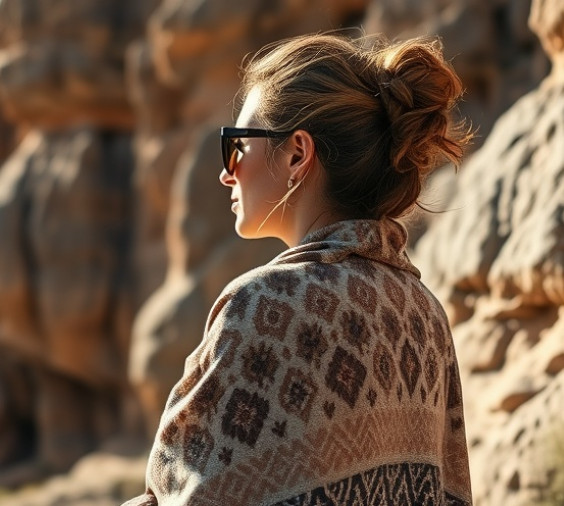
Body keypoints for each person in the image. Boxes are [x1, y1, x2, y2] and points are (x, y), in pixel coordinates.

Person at [123, 32, 473, 505]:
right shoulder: (425, 313)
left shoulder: (263, 306)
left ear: (297, 153)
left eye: (237, 145)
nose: (227, 172)